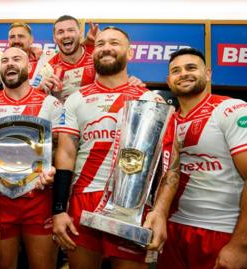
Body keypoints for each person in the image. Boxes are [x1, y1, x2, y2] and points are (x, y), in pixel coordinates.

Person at [52, 26, 179, 269]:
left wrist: (160, 212)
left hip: (132, 205)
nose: (106, 48)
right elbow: (66, 154)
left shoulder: (151, 100)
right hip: (82, 202)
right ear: (92, 53)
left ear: (130, 53)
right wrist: (58, 210)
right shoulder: (76, 99)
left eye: (114, 43)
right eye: (100, 44)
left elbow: (170, 166)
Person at [0, 47, 61, 269]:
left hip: (39, 199)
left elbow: (64, 150)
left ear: (29, 66)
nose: (10, 63)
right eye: (5, 60)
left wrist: (53, 170)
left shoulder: (51, 104)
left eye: (17, 59)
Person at [157, 48, 247, 269]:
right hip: (171, 230)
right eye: (176, 71)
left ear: (208, 74)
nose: (183, 74)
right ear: (169, 81)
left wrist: (240, 245)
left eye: (191, 67)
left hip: (221, 230)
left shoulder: (230, 109)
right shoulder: (167, 121)